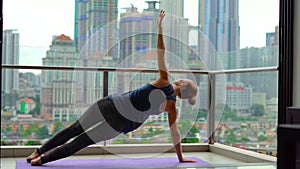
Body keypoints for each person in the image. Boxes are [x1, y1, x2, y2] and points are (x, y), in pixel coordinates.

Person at [26, 10, 198, 166]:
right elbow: (175, 135)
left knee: (75, 129)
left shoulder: (165, 80)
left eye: (183, 79)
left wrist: (160, 28)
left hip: (109, 105)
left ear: (182, 85)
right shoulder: (172, 107)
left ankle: (37, 152)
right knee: (80, 142)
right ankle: (41, 160)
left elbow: (161, 52)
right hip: (119, 124)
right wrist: (180, 158)